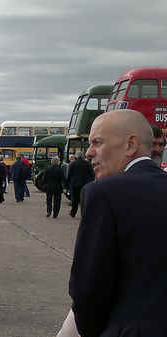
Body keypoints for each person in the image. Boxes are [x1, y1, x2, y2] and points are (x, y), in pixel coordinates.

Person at [69, 109, 167, 336]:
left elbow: (87, 289)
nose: (88, 153)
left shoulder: (102, 193)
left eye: (97, 142)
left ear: (130, 145)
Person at [65, 151, 94, 217]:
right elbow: (92, 174)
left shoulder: (72, 164)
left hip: (74, 184)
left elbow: (69, 174)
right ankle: (83, 213)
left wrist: (67, 183)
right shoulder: (87, 163)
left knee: (74, 199)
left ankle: (73, 212)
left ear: (76, 156)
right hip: (85, 184)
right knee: (83, 199)